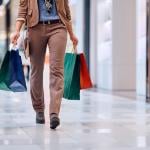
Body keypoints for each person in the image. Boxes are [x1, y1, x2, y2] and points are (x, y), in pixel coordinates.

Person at [11, 0, 78, 129]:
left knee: (57, 70)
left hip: (58, 27)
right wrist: (17, 31)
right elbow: (22, 10)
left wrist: (71, 34)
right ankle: (39, 109)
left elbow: (66, 10)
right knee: (36, 71)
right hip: (35, 28)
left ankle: (54, 113)